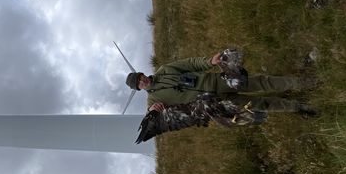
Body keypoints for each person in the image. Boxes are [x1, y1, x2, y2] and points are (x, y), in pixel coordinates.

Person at [125, 48, 318, 116]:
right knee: (258, 105)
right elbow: (151, 117)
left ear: (143, 74)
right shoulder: (153, 101)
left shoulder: (165, 70)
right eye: (139, 84)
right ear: (139, 89)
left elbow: (190, 63)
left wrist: (210, 61)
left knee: (260, 83)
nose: (142, 82)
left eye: (140, 78)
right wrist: (152, 112)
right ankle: (297, 107)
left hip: (220, 81)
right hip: (215, 104)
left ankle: (304, 83)